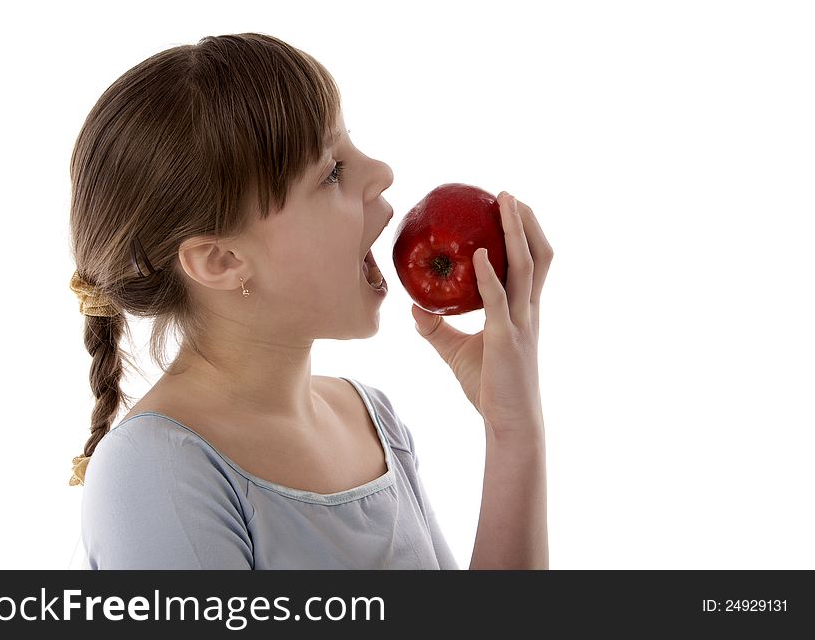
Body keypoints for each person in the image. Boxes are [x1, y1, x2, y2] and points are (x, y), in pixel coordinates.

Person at [67, 32, 553, 569]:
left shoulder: (372, 419)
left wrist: (512, 427)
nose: (382, 173)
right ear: (221, 261)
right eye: (331, 173)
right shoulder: (155, 471)